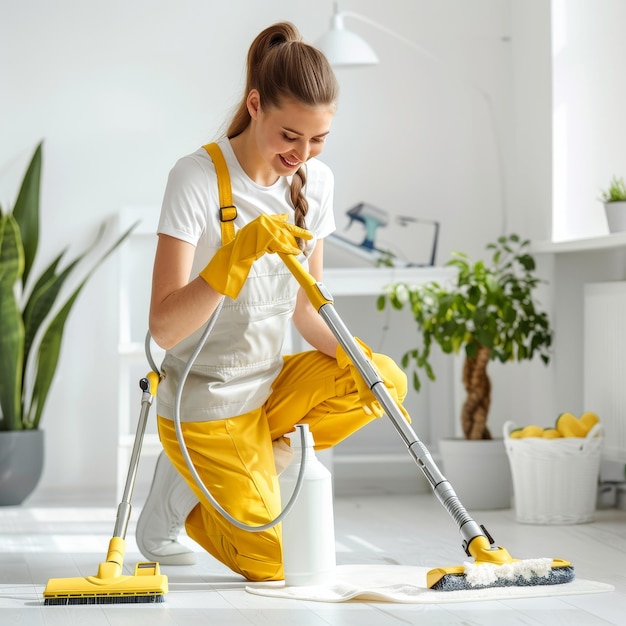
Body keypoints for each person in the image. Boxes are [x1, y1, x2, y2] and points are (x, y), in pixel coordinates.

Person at [136, 21, 408, 582]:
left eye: (318, 139)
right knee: (279, 563)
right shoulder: (196, 179)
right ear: (255, 105)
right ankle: (186, 499)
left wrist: (354, 357)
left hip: (266, 386)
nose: (302, 154)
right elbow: (162, 327)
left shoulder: (317, 182)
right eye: (290, 136)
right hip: (203, 400)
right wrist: (232, 260)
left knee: (384, 380)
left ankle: (218, 469)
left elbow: (306, 310)